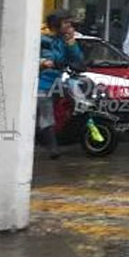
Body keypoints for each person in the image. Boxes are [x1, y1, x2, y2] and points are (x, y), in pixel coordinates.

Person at [38, 12, 84, 159]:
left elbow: (78, 59)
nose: (69, 26)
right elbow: (40, 57)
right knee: (46, 114)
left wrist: (71, 42)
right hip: (42, 83)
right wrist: (44, 62)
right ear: (56, 25)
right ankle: (52, 148)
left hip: (58, 81)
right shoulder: (44, 39)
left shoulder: (63, 41)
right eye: (66, 23)